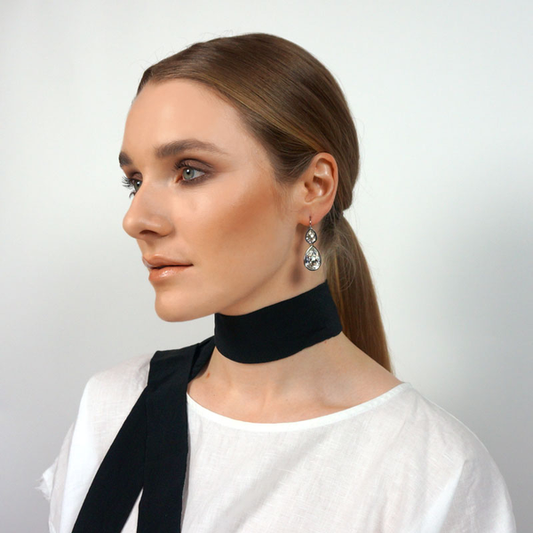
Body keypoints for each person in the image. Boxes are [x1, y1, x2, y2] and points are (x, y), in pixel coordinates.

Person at [39, 32, 516, 533]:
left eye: (189, 171)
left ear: (314, 187)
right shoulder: (111, 406)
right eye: (134, 181)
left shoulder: (432, 472)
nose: (136, 219)